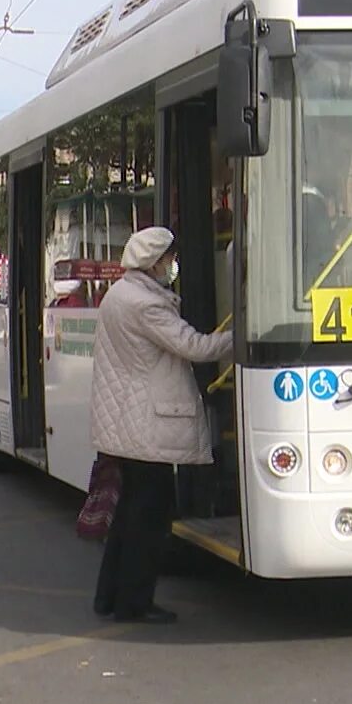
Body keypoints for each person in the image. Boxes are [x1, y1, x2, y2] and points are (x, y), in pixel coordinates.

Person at [88, 227, 231, 624]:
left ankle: (111, 596)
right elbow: (194, 347)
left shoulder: (120, 294)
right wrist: (245, 337)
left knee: (128, 515)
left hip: (128, 424)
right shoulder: (146, 305)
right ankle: (135, 602)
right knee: (148, 519)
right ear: (154, 262)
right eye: (169, 259)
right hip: (146, 425)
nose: (172, 266)